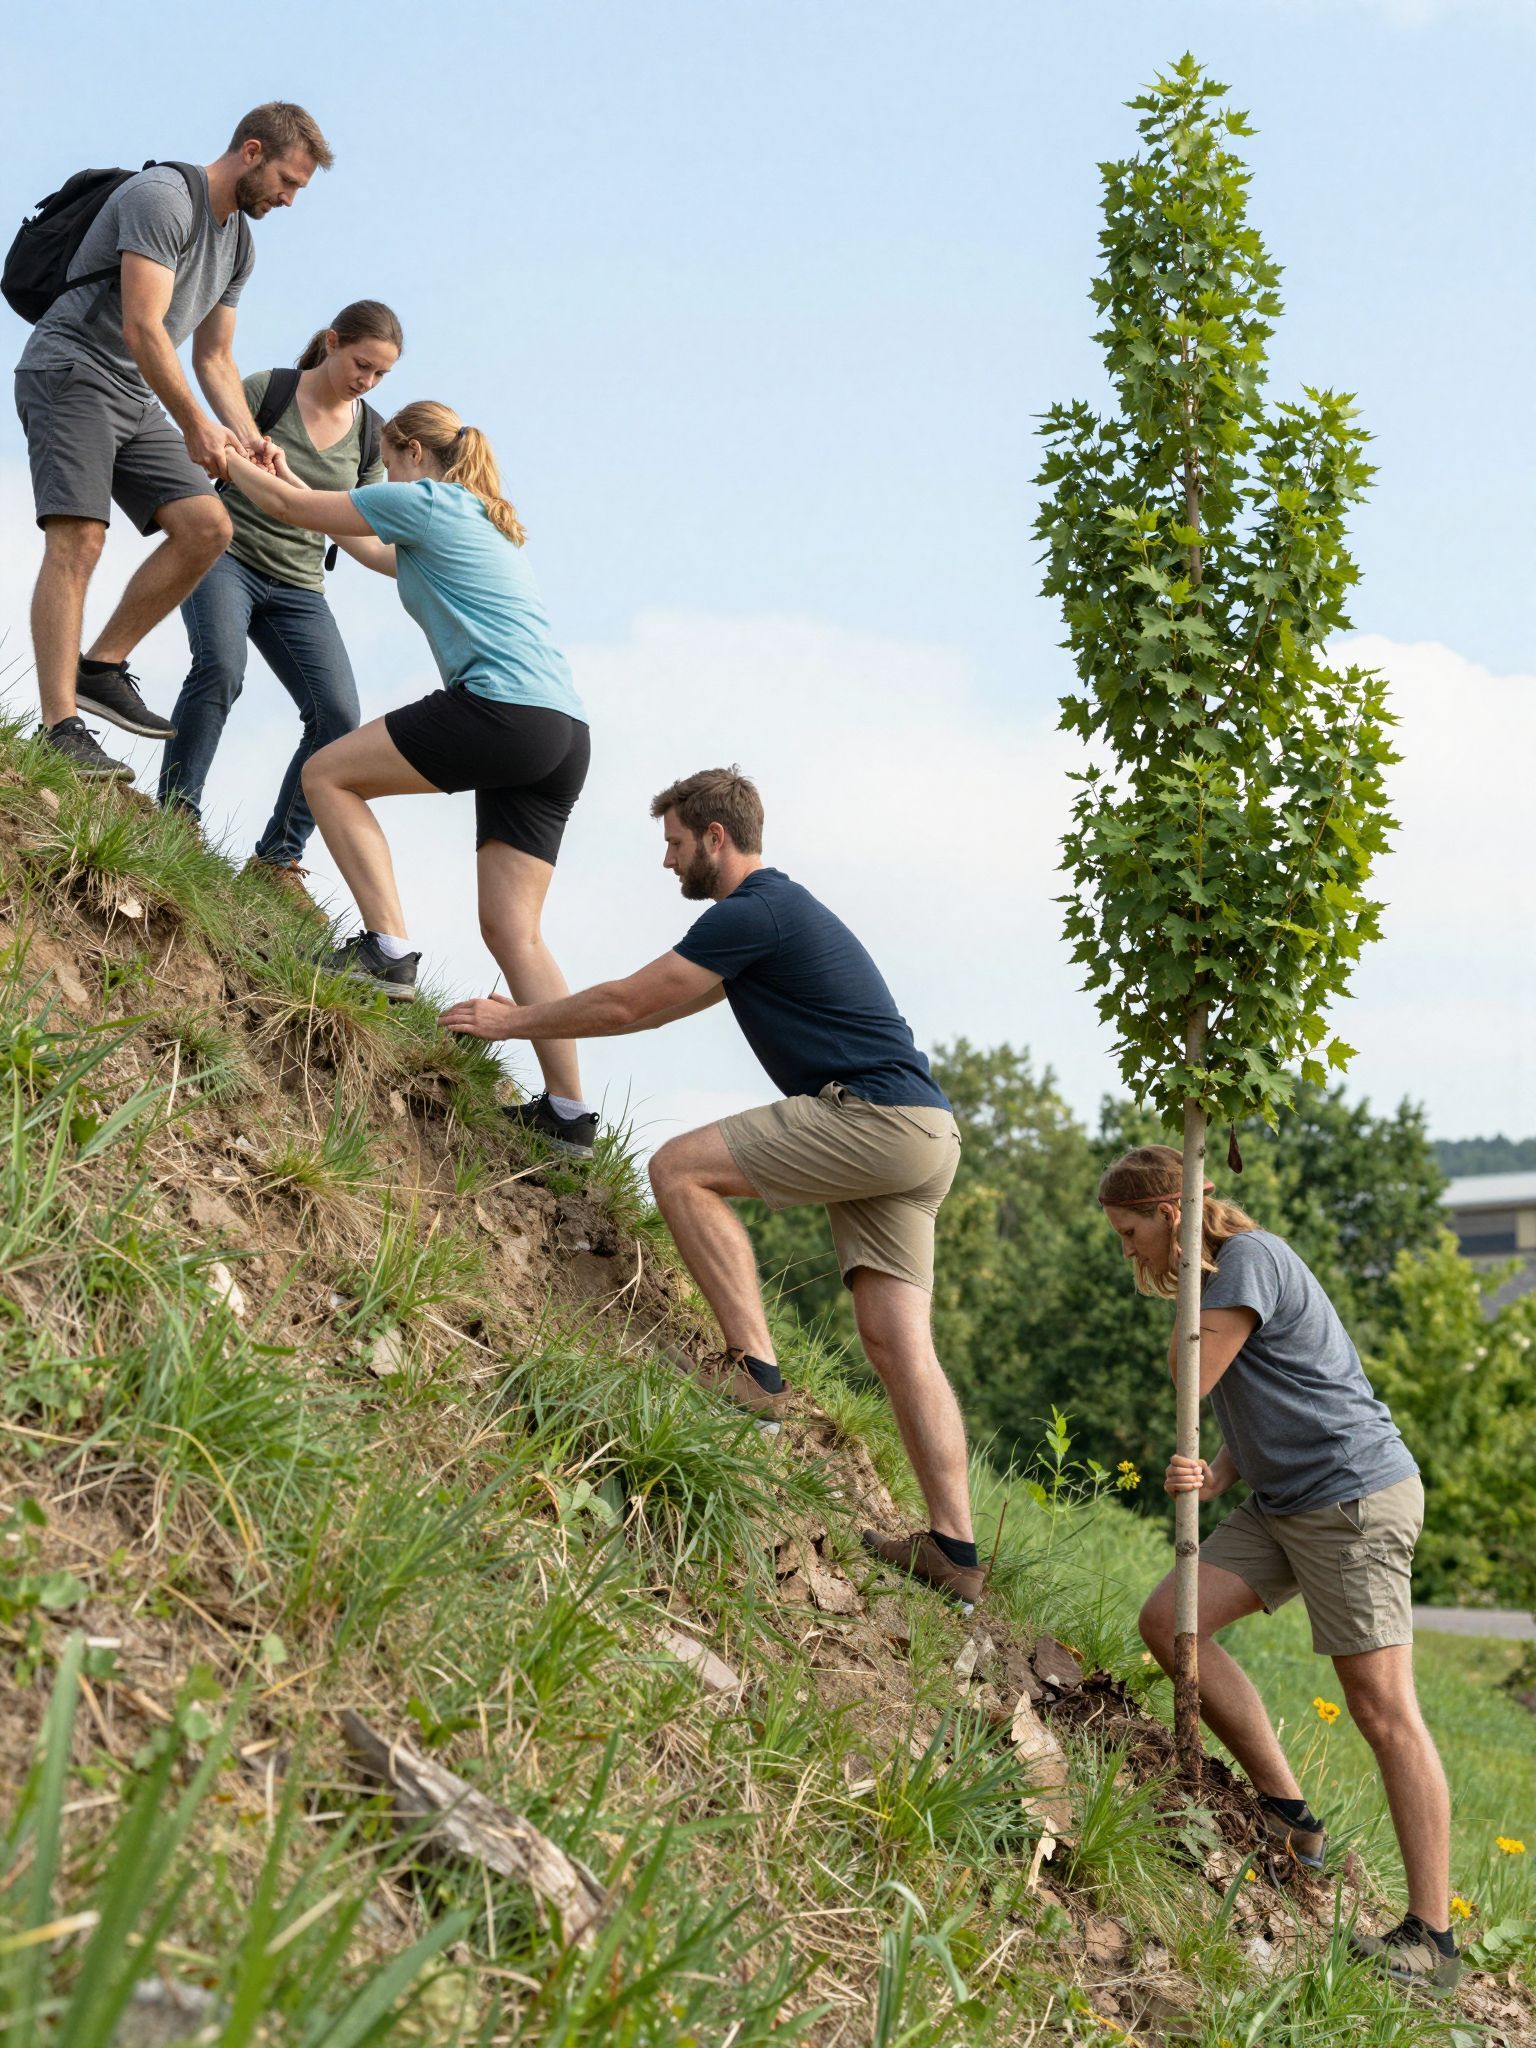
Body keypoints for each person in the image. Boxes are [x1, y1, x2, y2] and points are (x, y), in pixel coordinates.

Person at [437, 767, 983, 1609]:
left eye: (674, 842)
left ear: (715, 839)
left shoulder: (752, 911)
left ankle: (753, 1373)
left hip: (876, 1119)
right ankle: (954, 1548)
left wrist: (511, 1021)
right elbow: (647, 1008)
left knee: (679, 1170)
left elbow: (627, 1005)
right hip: (926, 1135)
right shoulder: (770, 923)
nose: (667, 862)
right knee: (897, 1342)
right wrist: (553, 1015)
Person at [1098, 1144, 1458, 1992]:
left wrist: (1185, 1274)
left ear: (1171, 1212)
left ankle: (1433, 1939)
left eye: (1131, 1232)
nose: (1127, 1252)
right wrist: (1223, 1471)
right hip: (1284, 1497)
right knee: (1172, 1623)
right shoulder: (1223, 1279)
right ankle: (1290, 1814)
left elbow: (1192, 1376)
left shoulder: (1247, 1260)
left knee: (1382, 1710)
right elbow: (1266, 1386)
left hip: (1351, 1496)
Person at [221, 401, 595, 1148]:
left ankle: (386, 952)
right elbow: (364, 544)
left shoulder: (424, 497)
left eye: (386, 461)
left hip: (501, 708)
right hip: (563, 732)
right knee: (513, 928)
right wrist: (289, 475)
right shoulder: (482, 518)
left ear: (413, 453)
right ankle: (568, 1115)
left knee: (327, 774)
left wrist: (224, 456)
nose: (382, 477)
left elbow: (291, 509)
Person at [13, 103, 333, 780]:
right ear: (251, 151)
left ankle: (100, 667)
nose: (290, 198)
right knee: (80, 538)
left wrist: (252, 440)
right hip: (71, 369)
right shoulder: (163, 198)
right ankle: (58, 724)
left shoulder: (240, 243)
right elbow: (144, 326)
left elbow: (214, 358)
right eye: (288, 179)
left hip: (132, 392)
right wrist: (194, 425)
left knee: (207, 526)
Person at [158, 301, 402, 897]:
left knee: (339, 718)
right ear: (332, 342)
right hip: (226, 559)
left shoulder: (371, 436)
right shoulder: (268, 390)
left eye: (379, 375)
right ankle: (174, 818)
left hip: (300, 588)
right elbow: (211, 453)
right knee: (219, 668)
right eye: (361, 364)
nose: (365, 381)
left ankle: (276, 860)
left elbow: (368, 525)